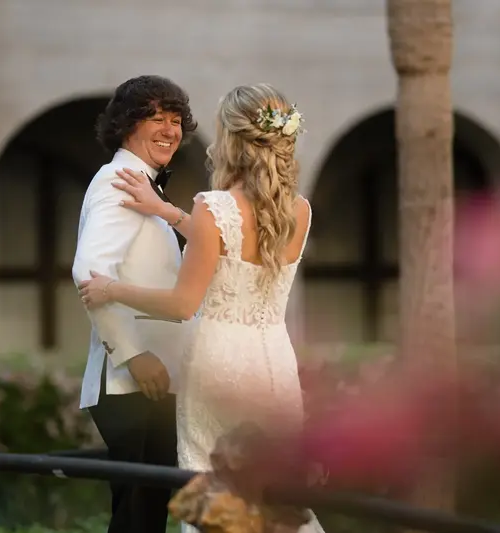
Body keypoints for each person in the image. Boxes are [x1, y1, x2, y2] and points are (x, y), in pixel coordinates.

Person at [78, 83, 326, 533]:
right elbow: (235, 250)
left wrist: (113, 289)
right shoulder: (299, 211)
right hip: (273, 363)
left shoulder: (214, 208)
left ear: (230, 138)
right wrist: (168, 212)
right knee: (272, 493)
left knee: (217, 493)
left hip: (218, 364)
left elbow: (182, 303)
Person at [71, 75, 197, 533]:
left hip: (153, 382)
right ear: (126, 125)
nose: (169, 130)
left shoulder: (144, 183)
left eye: (176, 120)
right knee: (138, 517)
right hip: (131, 381)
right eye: (156, 119)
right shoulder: (118, 181)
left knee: (147, 514)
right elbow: (89, 272)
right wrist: (133, 353)